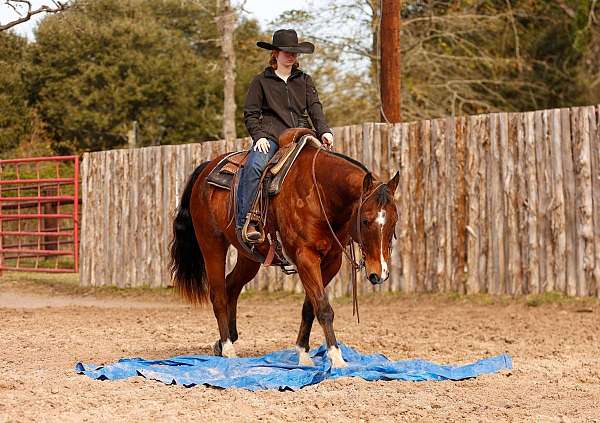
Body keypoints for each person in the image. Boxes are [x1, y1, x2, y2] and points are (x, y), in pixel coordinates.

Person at [237, 29, 334, 242]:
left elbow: (315, 108)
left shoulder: (305, 80)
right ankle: (248, 219)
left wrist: (325, 131)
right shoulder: (260, 81)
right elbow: (251, 114)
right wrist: (259, 136)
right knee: (254, 165)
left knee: (328, 168)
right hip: (272, 136)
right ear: (275, 53)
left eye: (294, 52)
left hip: (302, 135)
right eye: (286, 52)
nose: (291, 56)